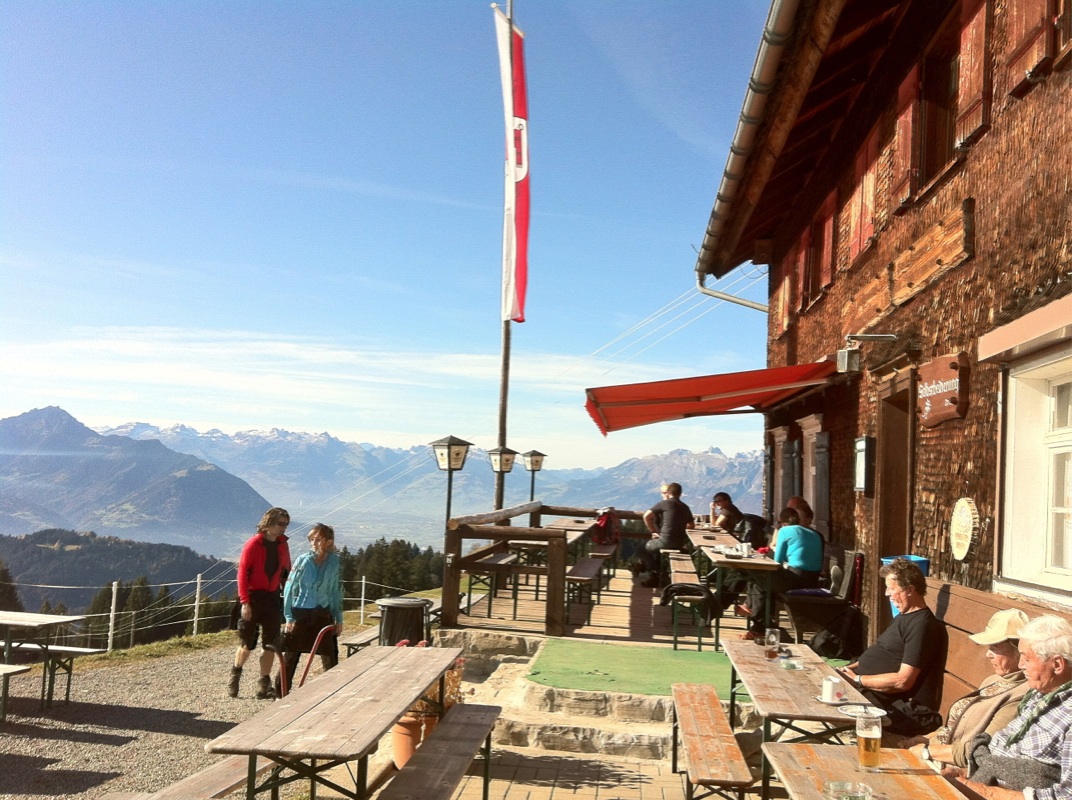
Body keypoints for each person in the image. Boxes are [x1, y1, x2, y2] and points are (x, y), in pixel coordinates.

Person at [952, 615, 1072, 800]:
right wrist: (968, 773)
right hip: (982, 779)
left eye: (1027, 658)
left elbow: (1067, 794)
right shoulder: (1039, 696)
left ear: (1057, 664)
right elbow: (1003, 750)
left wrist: (988, 792)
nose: (1020, 664)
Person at [906, 608, 1029, 770]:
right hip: (937, 753)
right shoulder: (993, 680)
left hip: (953, 769)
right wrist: (924, 739)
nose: (988, 654)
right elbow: (956, 727)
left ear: (1018, 651)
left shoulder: (1020, 695)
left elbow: (981, 750)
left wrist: (927, 751)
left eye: (995, 647)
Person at [839, 557, 947, 736]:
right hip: (866, 687)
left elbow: (903, 681)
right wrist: (849, 669)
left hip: (892, 704)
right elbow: (884, 653)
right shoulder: (903, 617)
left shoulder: (922, 626)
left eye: (891, 588)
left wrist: (858, 680)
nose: (886, 594)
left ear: (910, 590)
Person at [229, 507, 292, 700]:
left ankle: (263, 686)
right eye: (280, 523)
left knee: (270, 643)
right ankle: (235, 674)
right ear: (268, 523)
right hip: (252, 597)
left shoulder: (283, 545)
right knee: (247, 643)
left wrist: (288, 593)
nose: (284, 527)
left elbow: (286, 572)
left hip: (272, 598)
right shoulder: (253, 544)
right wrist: (245, 602)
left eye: (286, 524)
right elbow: (242, 574)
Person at [738, 507, 823, 638]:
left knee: (760, 582)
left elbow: (776, 562)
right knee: (764, 580)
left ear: (782, 523)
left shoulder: (785, 531)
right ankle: (759, 617)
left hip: (797, 578)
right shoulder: (813, 533)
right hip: (812, 580)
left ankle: (759, 627)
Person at [280, 523, 344, 695]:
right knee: (291, 655)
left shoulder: (334, 562)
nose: (313, 543)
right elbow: (289, 588)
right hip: (301, 612)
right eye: (311, 539)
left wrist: (338, 618)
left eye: (318, 540)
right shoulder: (303, 561)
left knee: (330, 655)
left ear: (328, 542)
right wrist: (289, 617)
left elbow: (336, 591)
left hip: (323, 612)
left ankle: (333, 692)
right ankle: (281, 693)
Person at [638, 482, 694, 585]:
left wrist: (653, 531)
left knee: (641, 548)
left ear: (668, 493)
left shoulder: (664, 503)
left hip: (665, 541)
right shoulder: (685, 507)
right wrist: (679, 525)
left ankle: (654, 574)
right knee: (658, 550)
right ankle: (661, 574)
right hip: (680, 543)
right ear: (680, 494)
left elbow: (646, 516)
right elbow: (691, 525)